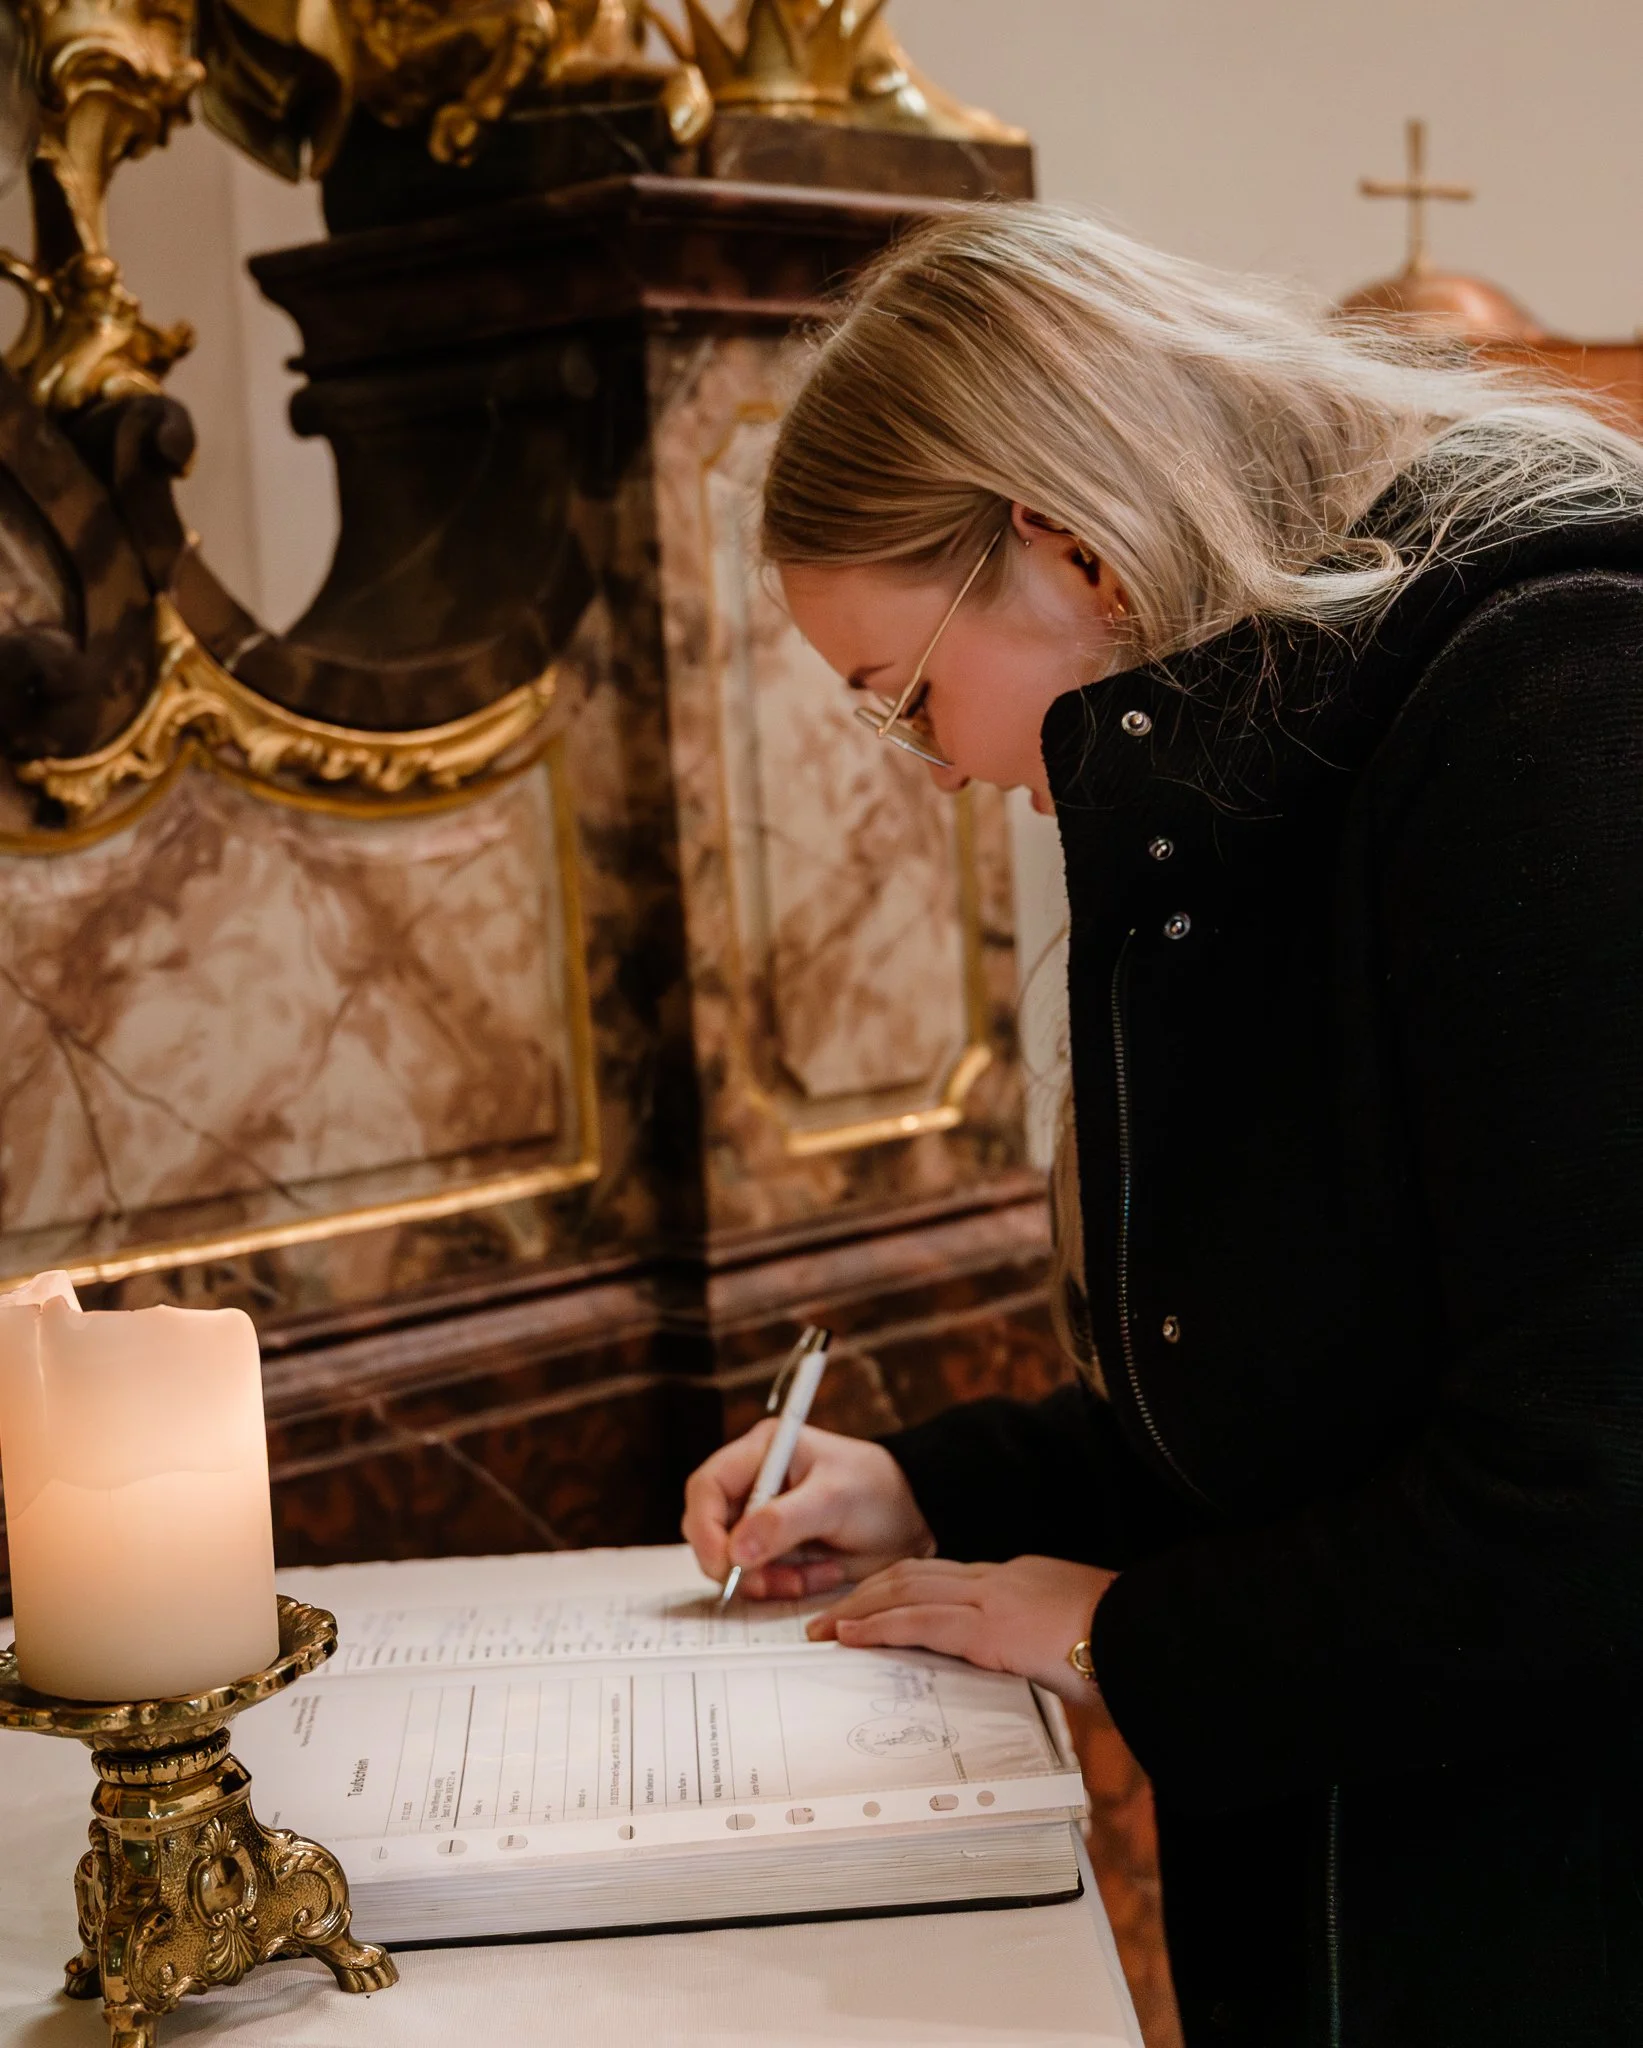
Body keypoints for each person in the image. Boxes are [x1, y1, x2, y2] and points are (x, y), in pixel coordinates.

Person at [680, 203, 1643, 2048]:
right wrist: (939, 1489)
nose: (947, 771)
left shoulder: (1559, 701)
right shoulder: (1268, 758)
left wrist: (1122, 1635)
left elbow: (1587, 1485)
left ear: (1069, 544)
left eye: (904, 701)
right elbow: (1313, 1372)